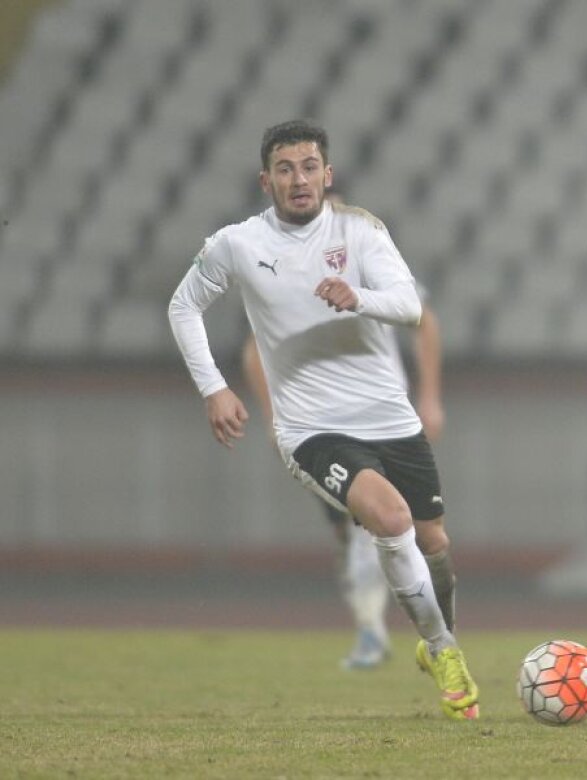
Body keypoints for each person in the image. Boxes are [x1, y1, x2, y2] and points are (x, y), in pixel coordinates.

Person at [168, 119, 478, 721]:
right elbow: (183, 305)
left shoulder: (360, 231)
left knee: (434, 539)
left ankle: (440, 636)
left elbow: (411, 306)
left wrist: (357, 297)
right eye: (285, 169)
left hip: (389, 416)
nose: (299, 179)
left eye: (309, 166)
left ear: (327, 175)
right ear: (267, 181)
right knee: (391, 520)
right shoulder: (238, 244)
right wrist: (214, 387)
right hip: (312, 428)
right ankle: (444, 651)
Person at [239, 192, 452, 672]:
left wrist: (430, 396)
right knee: (360, 530)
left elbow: (424, 322)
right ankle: (380, 631)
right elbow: (254, 352)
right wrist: (276, 417)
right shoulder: (280, 273)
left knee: (407, 532)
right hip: (320, 426)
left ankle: (394, 632)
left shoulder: (369, 258)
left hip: (383, 419)